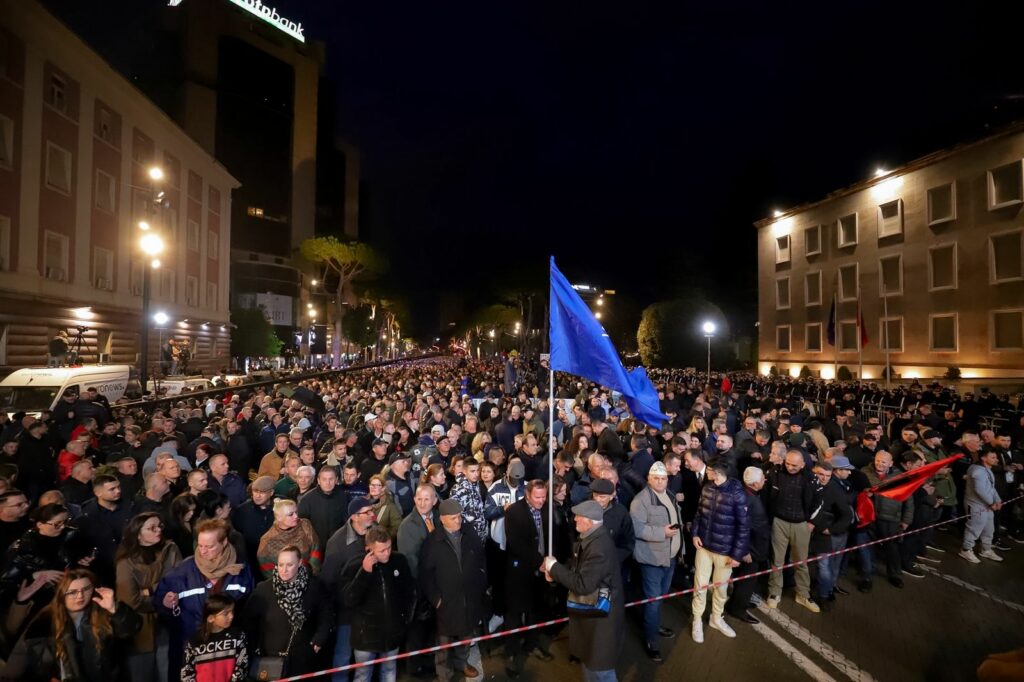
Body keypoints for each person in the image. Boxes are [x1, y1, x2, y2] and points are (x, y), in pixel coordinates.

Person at [154, 519, 255, 674]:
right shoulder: (182, 573)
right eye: (200, 545)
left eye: (209, 546)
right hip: (192, 653)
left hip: (228, 654)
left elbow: (249, 609)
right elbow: (160, 603)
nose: (203, 551)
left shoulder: (241, 571)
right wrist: (165, 604)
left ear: (224, 542)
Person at [4, 568, 141, 682]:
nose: (80, 596)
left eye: (86, 589)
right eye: (72, 592)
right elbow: (23, 653)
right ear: (61, 594)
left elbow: (131, 629)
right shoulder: (45, 618)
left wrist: (114, 609)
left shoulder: (102, 611)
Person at [542, 499, 624, 682]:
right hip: (595, 617)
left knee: (600, 670)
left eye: (579, 516)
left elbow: (583, 584)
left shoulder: (598, 547)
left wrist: (554, 567)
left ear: (590, 521)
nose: (575, 519)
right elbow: (578, 569)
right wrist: (556, 572)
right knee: (590, 664)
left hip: (601, 620)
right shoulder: (592, 539)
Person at [418, 498, 486, 682]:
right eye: (454, 518)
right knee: (443, 644)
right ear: (443, 519)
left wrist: (480, 582)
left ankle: (462, 664)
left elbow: (481, 558)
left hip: (469, 598)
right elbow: (425, 575)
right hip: (446, 602)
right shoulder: (432, 542)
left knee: (466, 636)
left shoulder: (469, 534)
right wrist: (436, 599)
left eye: (459, 517)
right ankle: (444, 674)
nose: (459, 521)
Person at [245, 545, 333, 677]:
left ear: (299, 563)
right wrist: (255, 646)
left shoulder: (314, 587)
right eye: (280, 565)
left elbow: (326, 614)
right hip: (271, 656)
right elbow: (248, 619)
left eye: (289, 565)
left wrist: (320, 637)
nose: (284, 570)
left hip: (303, 657)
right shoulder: (264, 590)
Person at [341, 526, 415, 682]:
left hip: (392, 634)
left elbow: (409, 592)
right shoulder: (355, 565)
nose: (387, 553)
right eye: (382, 550)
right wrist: (364, 572)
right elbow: (349, 599)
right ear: (368, 548)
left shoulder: (399, 561)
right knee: (363, 676)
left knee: (389, 671)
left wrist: (404, 620)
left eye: (389, 548)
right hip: (365, 638)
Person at [115, 512, 183, 682]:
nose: (158, 530)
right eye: (151, 528)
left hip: (170, 624)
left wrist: (148, 590)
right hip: (141, 630)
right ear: (138, 534)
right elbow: (132, 601)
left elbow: (179, 582)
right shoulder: (126, 563)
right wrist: (160, 595)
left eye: (159, 526)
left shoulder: (170, 549)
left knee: (168, 673)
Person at [690, 457, 749, 643]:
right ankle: (697, 620)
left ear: (717, 472)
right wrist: (695, 533)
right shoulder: (707, 487)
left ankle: (717, 617)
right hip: (704, 548)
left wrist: (736, 554)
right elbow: (699, 512)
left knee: (720, 588)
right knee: (699, 586)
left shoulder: (737, 494)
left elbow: (744, 526)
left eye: (709, 470)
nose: (706, 472)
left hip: (724, 552)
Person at [629, 462, 681, 662]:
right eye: (656, 478)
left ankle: (654, 624)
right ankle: (651, 640)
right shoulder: (640, 501)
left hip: (670, 558)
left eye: (663, 478)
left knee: (660, 597)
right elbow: (637, 529)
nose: (660, 482)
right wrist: (663, 533)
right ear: (649, 479)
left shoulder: (669, 494)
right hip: (652, 560)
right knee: (653, 600)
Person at [322, 496, 377, 682]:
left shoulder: (377, 533)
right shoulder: (337, 543)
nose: (372, 514)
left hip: (370, 609)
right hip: (346, 612)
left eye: (372, 510)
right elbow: (329, 581)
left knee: (367, 659)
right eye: (367, 512)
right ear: (354, 516)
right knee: (343, 657)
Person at [503, 479, 553, 677]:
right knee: (514, 615)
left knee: (535, 611)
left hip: (541, 573)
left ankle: (532, 644)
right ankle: (512, 654)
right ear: (527, 494)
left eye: (544, 497)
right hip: (520, 571)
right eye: (537, 497)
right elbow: (516, 543)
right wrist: (539, 561)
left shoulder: (547, 509)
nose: (541, 501)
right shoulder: (514, 512)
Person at [765, 450, 819, 612]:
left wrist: (812, 522)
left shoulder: (810, 478)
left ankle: (803, 594)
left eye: (794, 465)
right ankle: (774, 592)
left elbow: (819, 501)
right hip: (779, 522)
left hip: (801, 524)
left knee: (801, 562)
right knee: (777, 561)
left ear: (802, 464)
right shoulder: (775, 473)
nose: (790, 467)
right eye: (787, 463)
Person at [726, 466, 770, 625]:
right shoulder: (749, 500)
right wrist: (745, 551)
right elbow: (740, 527)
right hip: (751, 550)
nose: (765, 479)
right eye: (763, 478)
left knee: (742, 580)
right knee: (747, 581)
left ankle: (737, 602)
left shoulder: (746, 494)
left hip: (752, 548)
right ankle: (738, 608)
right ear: (756, 483)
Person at [181, 593, 249, 682]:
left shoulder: (237, 636)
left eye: (232, 611)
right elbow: (187, 673)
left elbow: (241, 666)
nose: (231, 616)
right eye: (226, 613)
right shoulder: (195, 641)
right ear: (210, 619)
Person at [257, 498, 322, 578]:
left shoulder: (305, 525)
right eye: (291, 514)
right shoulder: (267, 540)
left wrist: (311, 573)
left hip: (310, 577)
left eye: (296, 512)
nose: (296, 516)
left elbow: (315, 550)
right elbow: (267, 570)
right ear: (279, 518)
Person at [960, 449, 1004, 564]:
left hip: (986, 504)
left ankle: (986, 549)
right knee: (974, 527)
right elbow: (979, 490)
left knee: (989, 528)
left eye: (996, 457)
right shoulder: (978, 471)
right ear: (984, 458)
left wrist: (997, 500)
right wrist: (991, 503)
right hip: (975, 504)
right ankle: (966, 549)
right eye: (993, 457)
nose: (996, 459)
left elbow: (990, 487)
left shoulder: (986, 469)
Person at [299, 466, 350, 551]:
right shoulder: (307, 499)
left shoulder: (343, 496)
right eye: (324, 479)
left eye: (331, 479)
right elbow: (302, 526)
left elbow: (347, 522)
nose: (328, 482)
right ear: (318, 481)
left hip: (338, 544)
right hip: (315, 547)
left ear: (336, 480)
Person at [232, 477, 276, 572]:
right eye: (255, 491)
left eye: (262, 492)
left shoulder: (279, 509)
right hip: (250, 560)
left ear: (271, 493)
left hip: (273, 559)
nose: (257, 495)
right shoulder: (242, 510)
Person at [367, 473, 403, 540]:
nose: (373, 487)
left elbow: (397, 528)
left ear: (383, 488)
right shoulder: (363, 503)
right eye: (371, 485)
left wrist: (383, 537)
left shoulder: (390, 507)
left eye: (377, 485)